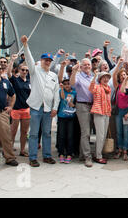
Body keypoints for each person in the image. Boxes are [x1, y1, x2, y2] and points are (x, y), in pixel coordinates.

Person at [21, 35, 60, 168]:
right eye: (45, 60)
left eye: (49, 60)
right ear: (41, 60)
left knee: (47, 133)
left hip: (48, 109)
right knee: (33, 134)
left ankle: (47, 156)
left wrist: (55, 107)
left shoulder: (54, 76)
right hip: (36, 108)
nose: (47, 62)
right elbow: (29, 60)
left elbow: (56, 93)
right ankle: (32, 157)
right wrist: (26, 46)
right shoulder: (34, 71)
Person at [70, 58, 95, 167]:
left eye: (88, 64)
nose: (87, 66)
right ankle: (87, 157)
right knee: (86, 132)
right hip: (82, 105)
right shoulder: (78, 76)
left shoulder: (94, 76)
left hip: (93, 106)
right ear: (81, 66)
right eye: (84, 65)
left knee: (87, 132)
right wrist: (74, 71)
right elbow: (72, 84)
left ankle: (81, 154)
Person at [7, 54, 31, 157]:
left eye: (26, 70)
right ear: (19, 70)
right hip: (16, 109)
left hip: (26, 109)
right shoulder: (15, 80)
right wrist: (12, 61)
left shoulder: (30, 81)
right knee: (13, 131)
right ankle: (9, 150)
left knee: (24, 132)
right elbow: (8, 74)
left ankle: (22, 150)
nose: (24, 72)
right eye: (23, 70)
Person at [89, 71, 112, 164]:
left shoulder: (108, 88)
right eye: (104, 78)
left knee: (103, 135)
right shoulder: (97, 87)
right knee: (100, 135)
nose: (106, 79)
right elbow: (90, 88)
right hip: (99, 112)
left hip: (106, 113)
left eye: (107, 78)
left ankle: (99, 154)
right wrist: (94, 76)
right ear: (100, 79)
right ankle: (98, 156)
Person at [57, 79, 77, 164]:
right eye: (65, 84)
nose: (67, 86)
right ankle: (61, 153)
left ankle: (69, 154)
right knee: (61, 136)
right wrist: (62, 88)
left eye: (68, 84)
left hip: (71, 117)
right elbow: (62, 97)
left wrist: (74, 105)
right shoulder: (61, 91)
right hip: (62, 116)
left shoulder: (74, 93)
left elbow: (76, 104)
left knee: (70, 136)